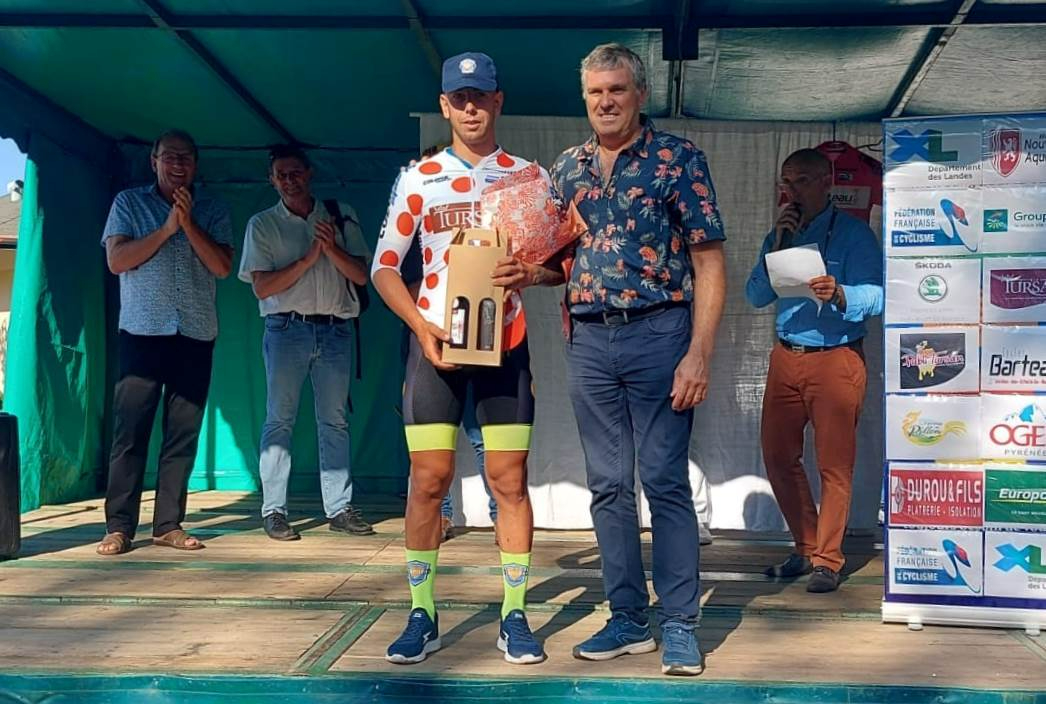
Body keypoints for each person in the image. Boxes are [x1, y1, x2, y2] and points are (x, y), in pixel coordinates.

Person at [518, 43, 728, 676]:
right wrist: (526, 270)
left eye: (615, 90)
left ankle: (681, 624)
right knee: (608, 486)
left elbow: (709, 261)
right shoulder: (567, 168)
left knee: (663, 480)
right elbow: (560, 264)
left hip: (661, 334)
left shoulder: (677, 158)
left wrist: (698, 353)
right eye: (594, 93)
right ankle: (628, 619)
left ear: (640, 93)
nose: (604, 102)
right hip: (589, 341)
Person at [372, 52, 546, 666]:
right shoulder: (418, 177)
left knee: (510, 482)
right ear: (445, 106)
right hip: (437, 347)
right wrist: (421, 329)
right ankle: (423, 611)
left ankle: (515, 615)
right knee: (428, 480)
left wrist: (531, 270)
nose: (471, 107)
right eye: (459, 98)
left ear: (499, 102)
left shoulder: (528, 177)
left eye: (481, 96)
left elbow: (556, 265)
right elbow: (384, 268)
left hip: (506, 346)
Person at [745, 148, 883, 593]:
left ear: (827, 182)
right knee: (778, 455)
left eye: (802, 180)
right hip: (787, 357)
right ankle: (805, 546)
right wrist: (779, 245)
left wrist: (841, 294)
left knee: (834, 465)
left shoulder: (855, 235)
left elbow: (879, 298)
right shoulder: (779, 234)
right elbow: (754, 296)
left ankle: (828, 559)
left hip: (836, 357)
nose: (792, 191)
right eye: (787, 182)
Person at [97, 129, 233, 555]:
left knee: (182, 434)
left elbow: (222, 266)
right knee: (131, 432)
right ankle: (119, 527)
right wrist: (166, 228)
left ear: (195, 166)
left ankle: (168, 525)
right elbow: (118, 260)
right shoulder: (129, 203)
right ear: (153, 161)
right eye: (170, 156)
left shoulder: (210, 208)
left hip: (194, 332)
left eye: (187, 158)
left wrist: (187, 223)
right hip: (142, 332)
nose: (178, 165)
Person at [239, 145, 374, 541]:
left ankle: (339, 507)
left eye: (295, 172)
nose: (288, 180)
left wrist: (331, 249)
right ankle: (274, 510)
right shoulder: (262, 224)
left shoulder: (338, 212)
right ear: (271, 179)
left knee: (334, 420)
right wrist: (308, 258)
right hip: (286, 330)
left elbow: (363, 277)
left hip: (334, 330)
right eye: (280, 174)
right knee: (279, 418)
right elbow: (262, 287)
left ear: (309, 173)